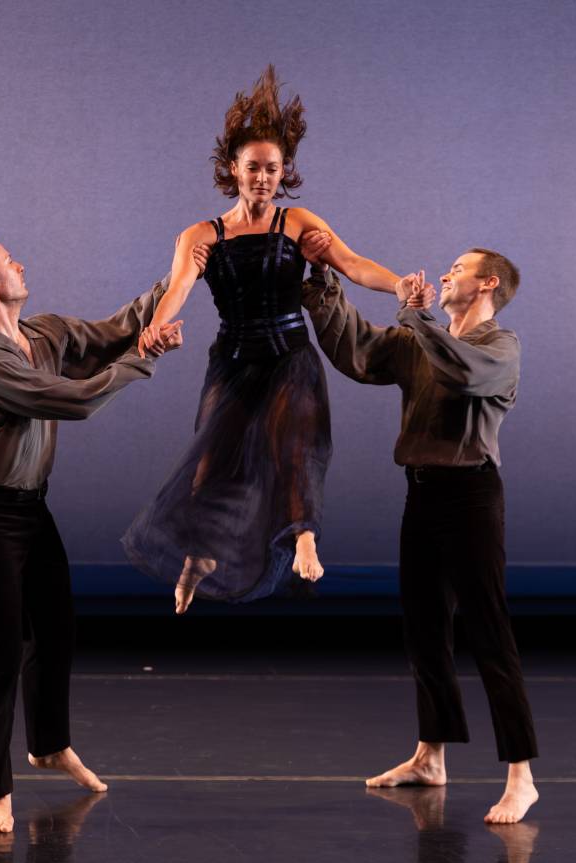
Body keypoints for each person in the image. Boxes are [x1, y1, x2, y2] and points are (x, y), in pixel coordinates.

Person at [0, 230, 204, 834]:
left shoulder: (45, 334)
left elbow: (116, 329)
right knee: (0, 650)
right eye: (8, 259)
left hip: (31, 510)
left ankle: (49, 744)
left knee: (56, 630)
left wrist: (179, 276)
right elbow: (76, 401)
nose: (19, 262)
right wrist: (145, 360)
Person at [122, 65, 410, 613]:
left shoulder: (298, 222)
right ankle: (199, 559)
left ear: (283, 173)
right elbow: (179, 286)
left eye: (271, 169)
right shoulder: (201, 235)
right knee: (211, 464)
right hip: (233, 359)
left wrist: (400, 285)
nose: (261, 178)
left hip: (289, 355)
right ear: (233, 170)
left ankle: (304, 539)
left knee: (294, 443)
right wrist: (158, 324)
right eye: (252, 168)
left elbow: (351, 265)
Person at [299, 230, 540, 824]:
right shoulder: (417, 339)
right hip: (423, 496)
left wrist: (414, 315)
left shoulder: (500, 346)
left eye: (460, 268)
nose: (446, 273)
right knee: (425, 628)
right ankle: (430, 756)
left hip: (472, 498)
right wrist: (323, 278)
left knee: (488, 631)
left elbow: (461, 373)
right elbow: (358, 353)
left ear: (488, 284)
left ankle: (522, 776)